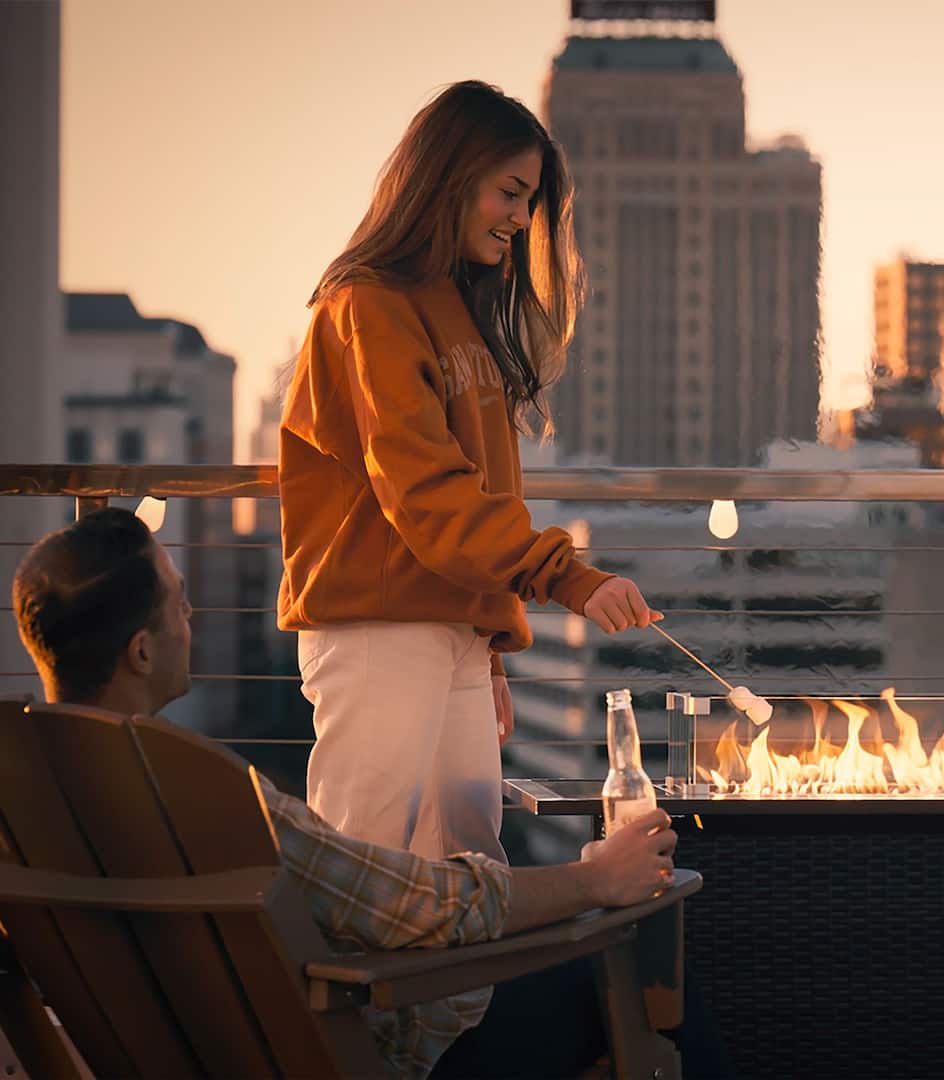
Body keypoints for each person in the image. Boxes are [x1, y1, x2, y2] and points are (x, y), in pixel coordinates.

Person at [11, 509, 681, 1079]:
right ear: (142, 653)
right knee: (652, 994)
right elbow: (423, 904)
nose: (192, 617)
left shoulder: (23, 804)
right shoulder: (205, 800)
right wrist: (595, 880)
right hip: (356, 1054)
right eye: (179, 602)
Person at [277, 80, 660, 864]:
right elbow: (425, 488)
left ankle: (446, 999)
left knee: (469, 869)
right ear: (448, 178)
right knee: (364, 870)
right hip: (376, 629)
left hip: (448, 630)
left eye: (530, 201)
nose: (522, 220)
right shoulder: (367, 306)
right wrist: (569, 579)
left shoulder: (456, 308)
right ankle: (332, 998)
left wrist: (483, 641)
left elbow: (479, 490)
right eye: (510, 193)